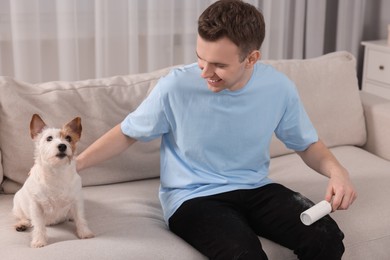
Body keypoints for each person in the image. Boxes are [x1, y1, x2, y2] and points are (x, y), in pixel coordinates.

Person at [77, 0, 357, 259]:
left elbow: (306, 144)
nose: (204, 72)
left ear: (252, 58)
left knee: (327, 238)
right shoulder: (175, 87)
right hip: (193, 198)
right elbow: (127, 132)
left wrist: (338, 172)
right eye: (201, 58)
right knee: (243, 255)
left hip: (255, 187)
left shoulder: (278, 88)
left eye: (219, 65)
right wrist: (73, 165)